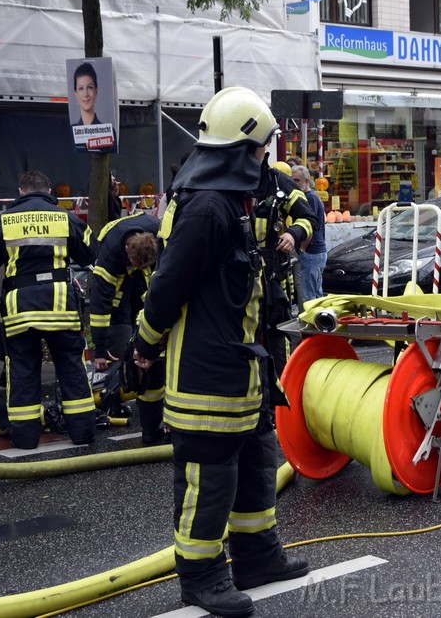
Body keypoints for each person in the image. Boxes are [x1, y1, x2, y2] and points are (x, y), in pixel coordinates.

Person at [132, 87, 308, 616]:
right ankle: (202, 574)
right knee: (210, 474)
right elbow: (168, 286)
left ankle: (256, 554)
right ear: (238, 151)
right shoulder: (207, 208)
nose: (264, 161)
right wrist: (143, 343)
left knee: (256, 457)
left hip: (243, 365)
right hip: (206, 371)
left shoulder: (229, 199)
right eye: (259, 151)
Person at [0, 170, 97, 449]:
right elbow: (91, 252)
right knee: (71, 368)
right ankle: (82, 434)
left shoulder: (4, 221)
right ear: (49, 190)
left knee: (22, 370)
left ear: (21, 192)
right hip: (60, 307)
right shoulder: (66, 218)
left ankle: (25, 439)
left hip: (20, 309)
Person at [88, 212, 166, 444]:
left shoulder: (160, 237)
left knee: (147, 305)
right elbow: (101, 307)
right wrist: (100, 350)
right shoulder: (110, 255)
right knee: (120, 328)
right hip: (117, 280)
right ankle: (116, 393)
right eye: (136, 265)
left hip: (145, 269)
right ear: (127, 253)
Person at [254, 160, 315, 377]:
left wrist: (294, 233)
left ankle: (282, 391)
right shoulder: (225, 180)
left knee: (277, 338)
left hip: (272, 280)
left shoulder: (278, 183)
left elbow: (308, 217)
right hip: (237, 283)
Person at [292, 166, 327, 306]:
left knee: (310, 297)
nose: (294, 183)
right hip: (315, 253)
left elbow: (310, 227)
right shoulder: (308, 198)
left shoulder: (310, 199)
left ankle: (312, 325)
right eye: (292, 180)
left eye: (297, 180)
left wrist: (302, 248)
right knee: (316, 294)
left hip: (312, 253)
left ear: (307, 181)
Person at [72, 61, 102, 126]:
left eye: (89, 87)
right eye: (81, 88)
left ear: (96, 91)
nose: (86, 94)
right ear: (76, 94)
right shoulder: (70, 131)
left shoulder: (108, 131)